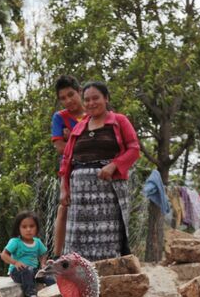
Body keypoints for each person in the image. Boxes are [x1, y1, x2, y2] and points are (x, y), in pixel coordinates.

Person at [56, 81, 141, 261]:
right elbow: (67, 159)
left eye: (96, 98)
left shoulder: (119, 121)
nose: (91, 103)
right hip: (80, 197)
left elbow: (134, 149)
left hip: (108, 193)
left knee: (108, 242)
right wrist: (64, 188)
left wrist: (113, 165)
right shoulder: (79, 127)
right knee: (78, 244)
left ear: (106, 98)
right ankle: (80, 284)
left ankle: (108, 281)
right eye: (87, 100)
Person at [48, 75, 84, 254]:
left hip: (97, 168)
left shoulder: (94, 112)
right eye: (62, 98)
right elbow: (60, 148)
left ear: (79, 91)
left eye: (71, 95)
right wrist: (79, 142)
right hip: (70, 168)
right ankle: (57, 254)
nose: (68, 101)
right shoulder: (60, 117)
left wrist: (71, 137)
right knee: (64, 208)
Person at [1, 212, 51, 297]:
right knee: (28, 271)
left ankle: (56, 291)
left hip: (33, 271)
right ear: (18, 229)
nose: (28, 230)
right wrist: (15, 262)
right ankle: (30, 294)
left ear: (37, 228)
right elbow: (4, 255)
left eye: (32, 226)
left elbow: (44, 253)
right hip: (17, 272)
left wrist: (43, 263)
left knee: (48, 276)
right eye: (24, 227)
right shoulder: (15, 241)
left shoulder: (38, 242)